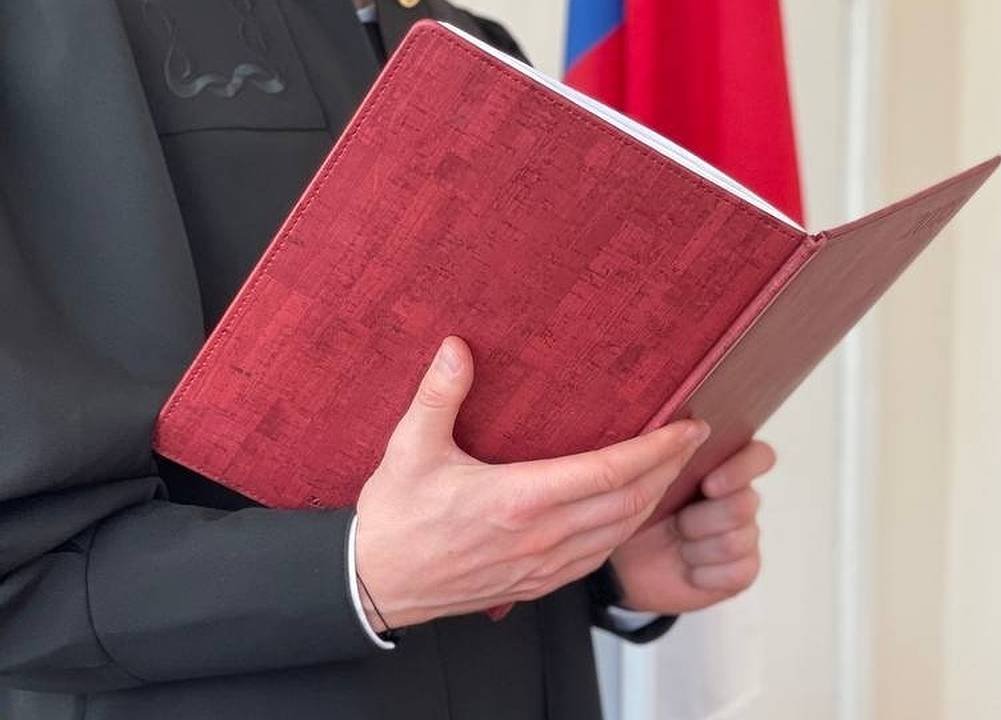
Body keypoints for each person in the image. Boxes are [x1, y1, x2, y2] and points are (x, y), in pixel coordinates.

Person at [0, 1, 774, 719]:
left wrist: (602, 562)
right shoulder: (51, 26)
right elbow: (24, 584)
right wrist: (355, 573)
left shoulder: (476, 42)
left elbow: (475, 472)